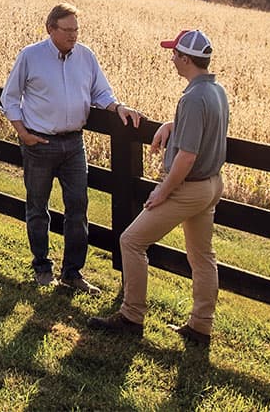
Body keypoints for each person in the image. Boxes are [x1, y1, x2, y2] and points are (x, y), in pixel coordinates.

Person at [89, 29, 229, 347]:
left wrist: (162, 191)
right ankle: (200, 326)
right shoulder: (215, 91)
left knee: (132, 241)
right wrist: (173, 124)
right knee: (203, 256)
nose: (171, 59)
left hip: (188, 188)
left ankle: (131, 316)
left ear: (185, 58)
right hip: (211, 186)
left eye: (175, 54)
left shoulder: (193, 97)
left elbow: (187, 157)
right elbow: (203, 127)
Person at [0, 3, 142, 294]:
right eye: (67, 30)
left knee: (78, 209)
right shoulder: (30, 56)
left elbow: (101, 91)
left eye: (76, 29)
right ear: (50, 29)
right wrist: (23, 134)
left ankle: (72, 273)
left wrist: (118, 107)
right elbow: (9, 97)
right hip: (39, 143)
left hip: (74, 144)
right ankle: (42, 267)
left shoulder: (86, 56)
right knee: (38, 208)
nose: (73, 35)